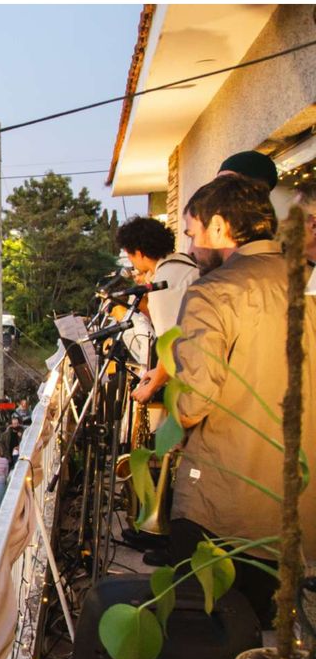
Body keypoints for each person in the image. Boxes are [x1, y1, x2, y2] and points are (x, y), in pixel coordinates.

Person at [152, 174, 316, 619]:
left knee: (205, 631)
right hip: (296, 502)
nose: (191, 249)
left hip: (226, 507)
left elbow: (193, 401)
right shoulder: (304, 279)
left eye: (192, 234)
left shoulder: (214, 291)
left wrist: (168, 412)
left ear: (220, 228)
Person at [114, 216, 201, 405]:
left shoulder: (162, 284)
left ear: (139, 252)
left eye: (129, 254)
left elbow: (171, 343)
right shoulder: (185, 266)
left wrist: (150, 388)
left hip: (193, 383)